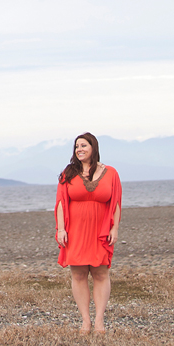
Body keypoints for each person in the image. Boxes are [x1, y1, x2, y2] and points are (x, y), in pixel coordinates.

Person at [54, 132, 122, 333]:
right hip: (75, 230)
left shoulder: (111, 173)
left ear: (93, 147)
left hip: (100, 230)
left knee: (101, 273)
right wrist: (61, 229)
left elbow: (116, 202)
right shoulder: (68, 173)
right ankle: (86, 321)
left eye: (83, 145)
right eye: (76, 147)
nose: (79, 149)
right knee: (79, 273)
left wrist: (114, 228)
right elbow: (60, 203)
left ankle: (99, 320)